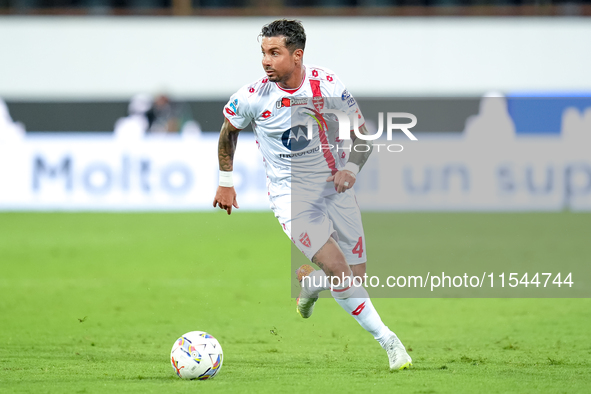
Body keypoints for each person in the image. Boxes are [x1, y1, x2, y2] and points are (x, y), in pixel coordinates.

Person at [213, 19, 412, 370]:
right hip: (292, 198)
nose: (266, 61)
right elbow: (229, 131)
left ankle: (310, 283)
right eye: (263, 53)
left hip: (335, 190)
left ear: (297, 55)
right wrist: (225, 181)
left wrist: (351, 168)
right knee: (342, 273)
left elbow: (362, 136)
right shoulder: (252, 97)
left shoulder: (328, 84)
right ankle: (391, 343)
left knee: (354, 278)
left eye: (275, 53)